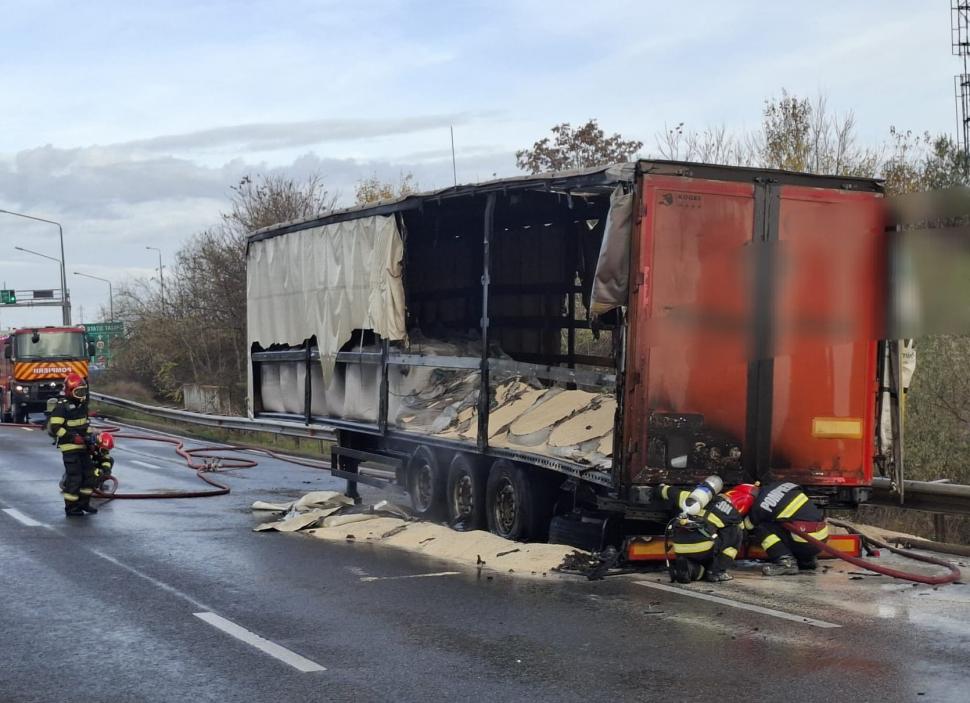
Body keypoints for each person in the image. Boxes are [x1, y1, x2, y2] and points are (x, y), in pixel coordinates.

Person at [660, 481, 757, 583]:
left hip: (679, 546)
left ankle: (691, 569)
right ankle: (716, 572)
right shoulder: (731, 511)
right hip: (703, 548)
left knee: (701, 566)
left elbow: (669, 492)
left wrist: (659, 489)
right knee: (736, 533)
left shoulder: (690, 497)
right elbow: (744, 536)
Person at [743, 481, 829, 576]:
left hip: (804, 541)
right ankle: (807, 561)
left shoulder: (758, 507)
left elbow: (749, 527)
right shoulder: (781, 485)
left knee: (762, 528)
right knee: (784, 520)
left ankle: (786, 563)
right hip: (821, 538)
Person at [47, 373, 98, 516]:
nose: (81, 395)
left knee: (89, 476)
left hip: (83, 447)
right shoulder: (61, 407)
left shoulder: (82, 406)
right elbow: (56, 427)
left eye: (83, 391)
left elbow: (85, 425)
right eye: (78, 392)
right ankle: (71, 508)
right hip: (69, 448)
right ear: (70, 391)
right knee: (75, 478)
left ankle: (84, 504)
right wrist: (72, 437)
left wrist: (90, 439)